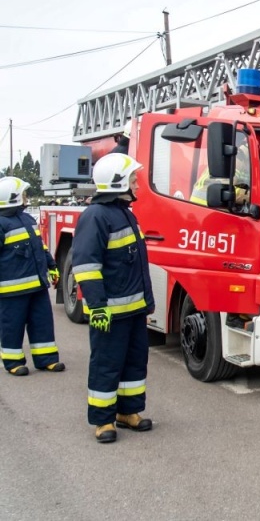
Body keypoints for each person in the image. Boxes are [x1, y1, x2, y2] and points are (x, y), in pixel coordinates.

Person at [73, 153, 155, 443]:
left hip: (133, 310)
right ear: (119, 182)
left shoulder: (125, 213)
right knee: (107, 364)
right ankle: (103, 420)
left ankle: (128, 412)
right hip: (109, 310)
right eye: (133, 179)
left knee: (134, 362)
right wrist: (96, 307)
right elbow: (85, 266)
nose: (137, 184)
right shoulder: (95, 216)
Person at [0, 177, 65, 376]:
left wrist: (52, 266)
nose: (26, 197)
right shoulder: (2, 223)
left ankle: (46, 359)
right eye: (23, 194)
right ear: (13, 197)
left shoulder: (28, 219)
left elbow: (40, 247)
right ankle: (12, 362)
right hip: (11, 291)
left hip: (37, 285)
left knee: (42, 322)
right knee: (13, 325)